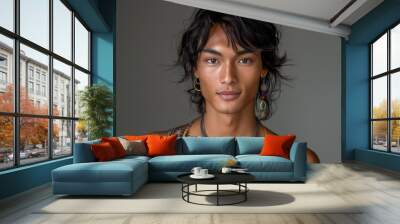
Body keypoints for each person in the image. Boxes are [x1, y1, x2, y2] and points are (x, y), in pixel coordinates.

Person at [151, 9, 320, 163]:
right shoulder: (154, 152)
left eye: (244, 60)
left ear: (263, 67)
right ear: (196, 68)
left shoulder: (299, 160)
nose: (228, 77)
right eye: (212, 60)